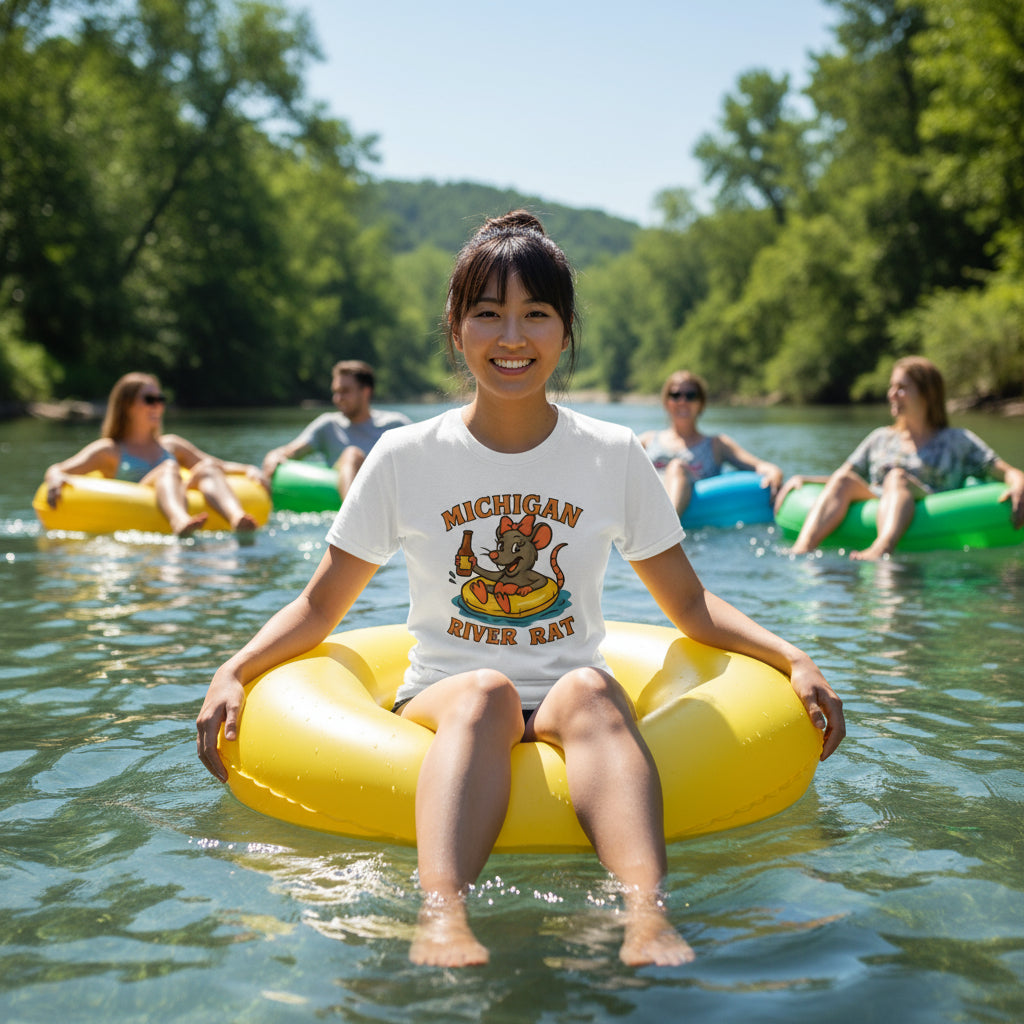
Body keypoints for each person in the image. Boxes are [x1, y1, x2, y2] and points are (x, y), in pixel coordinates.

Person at [196, 212, 844, 969]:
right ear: (455, 327)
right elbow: (319, 606)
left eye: (536, 314)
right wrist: (233, 669)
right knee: (485, 692)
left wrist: (792, 655)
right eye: (488, 314)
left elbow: (691, 606)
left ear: (566, 332)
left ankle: (645, 917)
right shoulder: (405, 456)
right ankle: (442, 917)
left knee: (594, 690)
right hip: (446, 698)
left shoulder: (612, 454)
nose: (513, 337)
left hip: (569, 697)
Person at [775, 356, 1024, 560]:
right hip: (879, 499)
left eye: (902, 388)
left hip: (933, 505)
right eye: (891, 387)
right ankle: (802, 549)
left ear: (928, 395)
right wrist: (804, 479)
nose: (892, 394)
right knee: (843, 479)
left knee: (896, 477)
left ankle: (881, 548)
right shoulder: (880, 438)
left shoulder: (958, 441)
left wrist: (1019, 483)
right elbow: (843, 477)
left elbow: (1006, 471)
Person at [42, 372, 264, 537]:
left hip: (179, 493)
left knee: (206, 469)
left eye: (160, 399)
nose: (158, 406)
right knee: (168, 468)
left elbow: (217, 464)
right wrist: (56, 478)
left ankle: (237, 518)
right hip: (136, 503)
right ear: (127, 406)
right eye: (150, 399)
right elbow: (58, 469)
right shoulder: (109, 450)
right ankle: (179, 522)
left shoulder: (171, 445)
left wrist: (249, 469)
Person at [260, 360, 411, 499]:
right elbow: (290, 452)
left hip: (387, 491)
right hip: (342, 494)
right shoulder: (328, 425)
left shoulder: (395, 424)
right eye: (335, 392)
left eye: (345, 391)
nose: (337, 398)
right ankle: (353, 514)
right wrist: (273, 456)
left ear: (366, 392)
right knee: (351, 454)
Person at [639, 371, 783, 516]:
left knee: (677, 466)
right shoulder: (647, 441)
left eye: (690, 395)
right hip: (648, 499)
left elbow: (759, 465)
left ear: (700, 403)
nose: (682, 401)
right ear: (666, 402)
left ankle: (667, 530)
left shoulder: (717, 444)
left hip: (692, 504)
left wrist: (774, 473)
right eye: (675, 395)